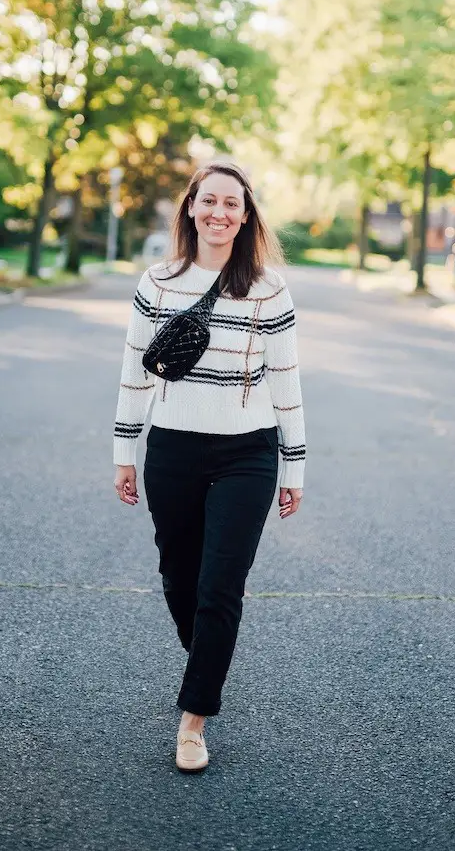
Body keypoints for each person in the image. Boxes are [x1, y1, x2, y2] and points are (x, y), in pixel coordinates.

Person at [112, 159, 307, 773]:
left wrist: (294, 465)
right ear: (191, 208)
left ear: (246, 216)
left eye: (233, 204)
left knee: (220, 586)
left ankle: (194, 719)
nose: (220, 213)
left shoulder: (269, 289)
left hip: (247, 453)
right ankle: (208, 656)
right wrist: (125, 450)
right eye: (209, 202)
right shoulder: (158, 281)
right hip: (171, 448)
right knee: (180, 580)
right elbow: (135, 370)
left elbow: (287, 380)